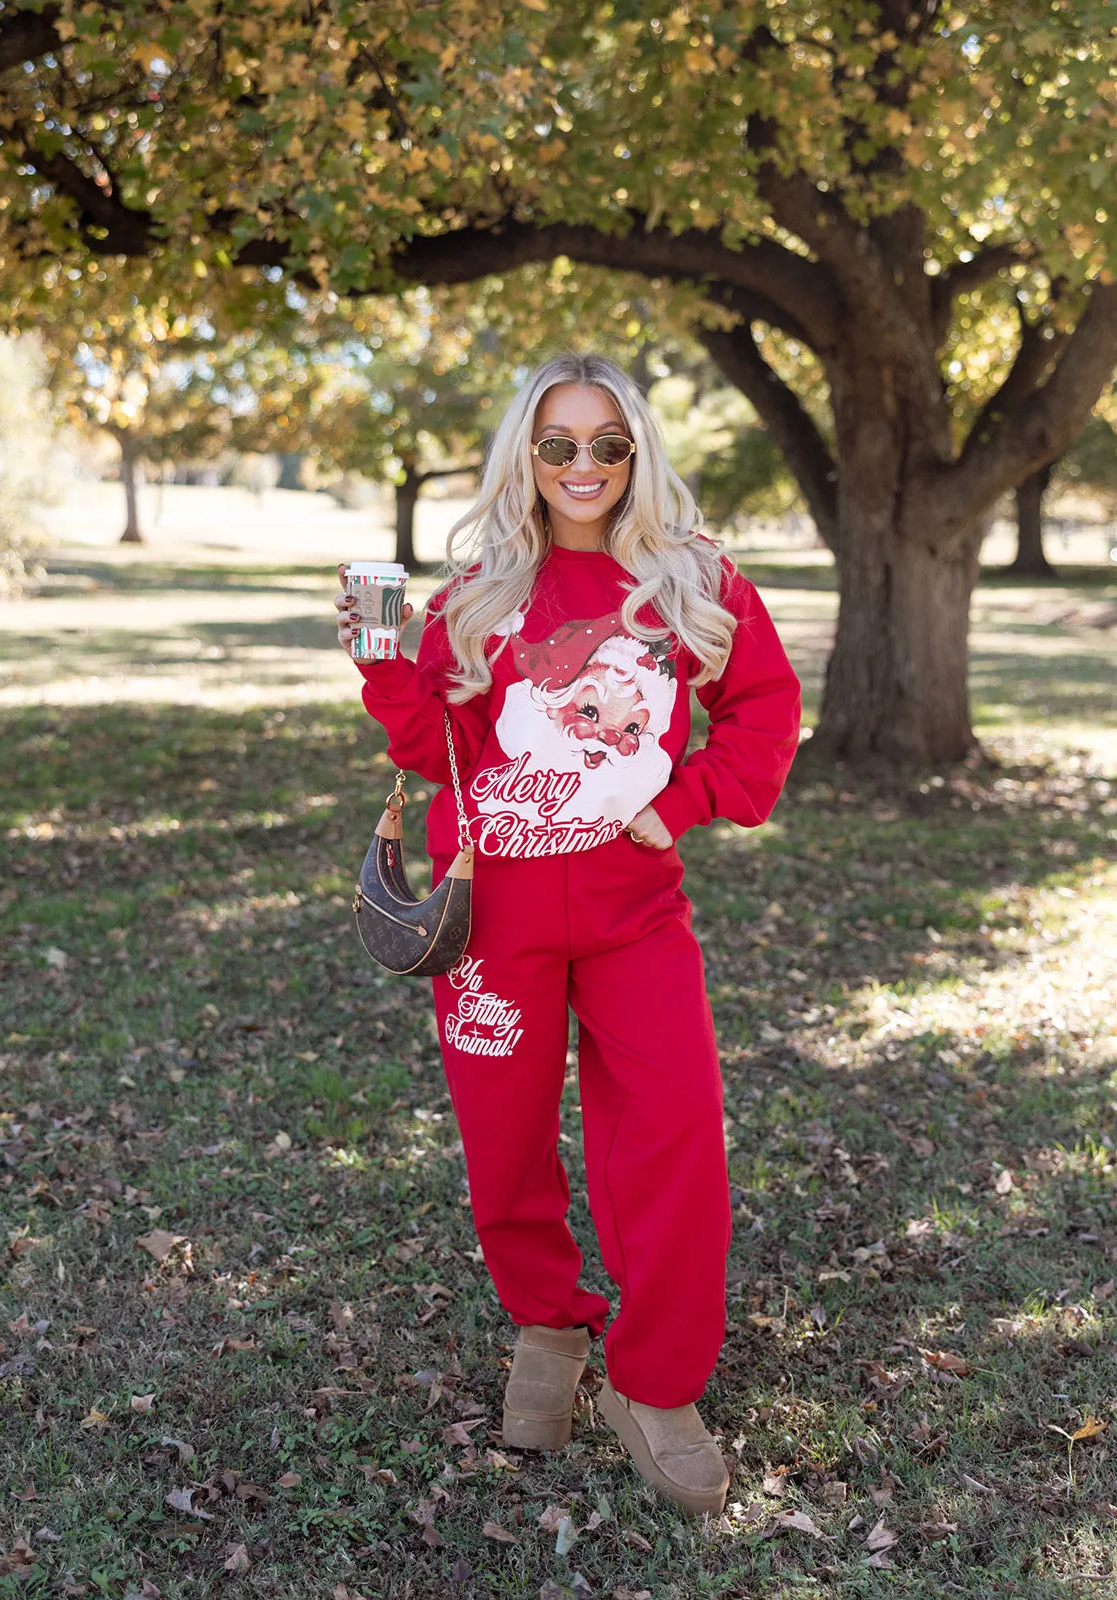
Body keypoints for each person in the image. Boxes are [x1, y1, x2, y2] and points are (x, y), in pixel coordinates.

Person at [335, 352, 802, 1517]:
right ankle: (548, 1326)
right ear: (525, 459)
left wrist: (682, 798)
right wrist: (382, 656)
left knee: (677, 1132)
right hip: (493, 919)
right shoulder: (481, 591)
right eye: (558, 446)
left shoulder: (689, 582)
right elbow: (414, 745)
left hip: (636, 915)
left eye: (608, 445)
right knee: (504, 1143)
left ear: (636, 455)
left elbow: (765, 708)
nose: (583, 466)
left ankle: (657, 1384)